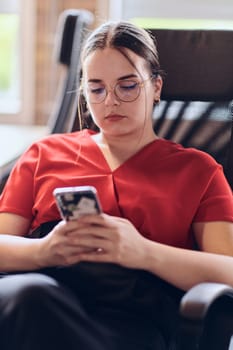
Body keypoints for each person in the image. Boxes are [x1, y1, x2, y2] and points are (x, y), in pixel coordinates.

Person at [0, 20, 233, 350]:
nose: (110, 101)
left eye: (128, 86)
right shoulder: (44, 153)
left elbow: (228, 272)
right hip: (41, 287)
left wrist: (144, 253)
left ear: (156, 88)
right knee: (27, 297)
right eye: (96, 89)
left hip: (129, 319)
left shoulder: (199, 171)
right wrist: (44, 250)